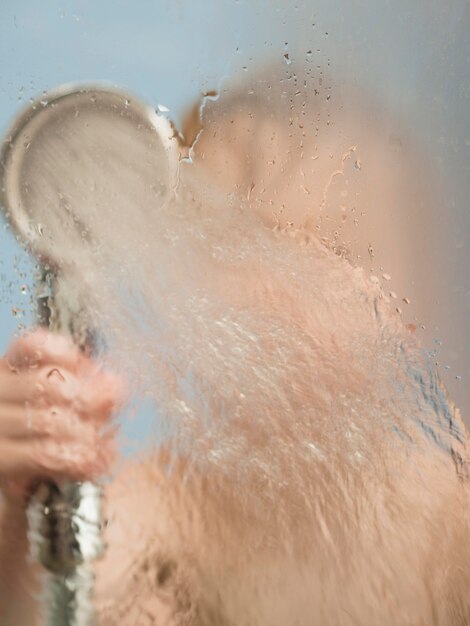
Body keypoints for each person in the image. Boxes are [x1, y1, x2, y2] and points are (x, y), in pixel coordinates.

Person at [1, 68, 470, 626]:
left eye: (334, 249)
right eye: (228, 247)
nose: (267, 291)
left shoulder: (449, 523)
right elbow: (52, 603)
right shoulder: (164, 513)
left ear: (412, 314)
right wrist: (13, 514)